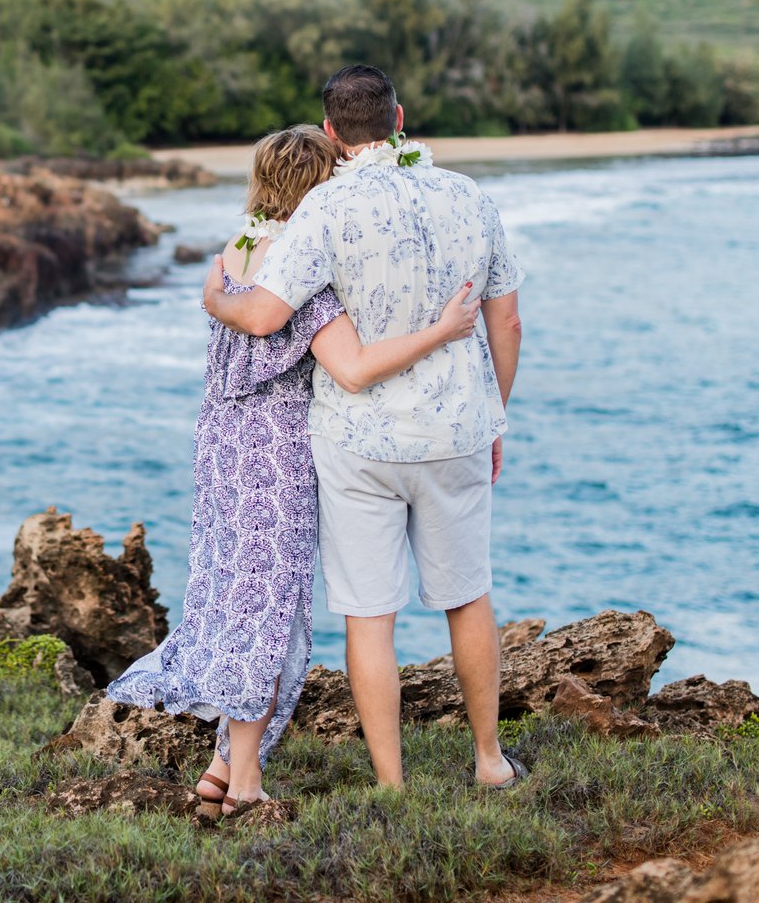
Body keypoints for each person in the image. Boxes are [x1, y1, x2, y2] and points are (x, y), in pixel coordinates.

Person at [107, 123, 486, 819]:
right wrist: (443, 330)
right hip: (275, 458)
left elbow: (222, 306)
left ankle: (223, 766)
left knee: (237, 596)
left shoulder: (238, 246)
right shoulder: (304, 272)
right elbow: (353, 366)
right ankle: (246, 774)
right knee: (270, 615)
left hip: (222, 445)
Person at [202, 65, 527, 792]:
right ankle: (488, 762)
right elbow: (505, 320)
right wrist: (493, 411)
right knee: (467, 594)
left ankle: (391, 783)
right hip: (457, 431)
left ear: (330, 132)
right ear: (399, 118)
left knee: (368, 614)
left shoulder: (324, 209)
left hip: (358, 441)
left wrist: (214, 296)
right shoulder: (470, 198)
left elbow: (262, 315)